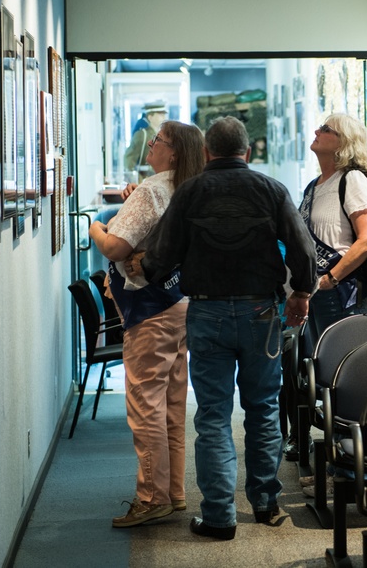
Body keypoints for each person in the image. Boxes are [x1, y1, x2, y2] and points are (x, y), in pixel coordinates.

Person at [134, 115, 317, 540]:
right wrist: (301, 294)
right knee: (263, 409)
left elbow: (159, 257)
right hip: (260, 315)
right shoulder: (271, 190)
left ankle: (218, 517)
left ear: (205, 153)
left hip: (207, 313)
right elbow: (303, 249)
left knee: (213, 416)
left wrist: (158, 277)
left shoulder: (191, 191)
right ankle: (267, 504)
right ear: (247, 153)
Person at [88, 119, 206, 528]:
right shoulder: (187, 189)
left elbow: (118, 246)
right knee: (172, 403)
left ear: (172, 152)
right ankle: (173, 493)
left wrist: (96, 228)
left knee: (145, 406)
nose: (150, 145)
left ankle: (152, 497)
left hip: (149, 311)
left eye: (157, 141)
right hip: (179, 305)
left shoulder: (154, 190)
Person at [292, 113, 367, 468]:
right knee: (316, 373)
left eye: (326, 129)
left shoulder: (353, 180)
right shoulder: (315, 186)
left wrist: (331, 278)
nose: (316, 131)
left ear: (342, 142)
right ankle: (325, 445)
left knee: (344, 373)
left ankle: (351, 450)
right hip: (316, 293)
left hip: (339, 294)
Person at [123, 100, 168, 180]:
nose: (164, 117)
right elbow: (129, 161)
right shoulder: (142, 135)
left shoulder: (165, 136)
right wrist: (136, 181)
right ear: (150, 117)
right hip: (146, 179)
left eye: (164, 114)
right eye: (160, 114)